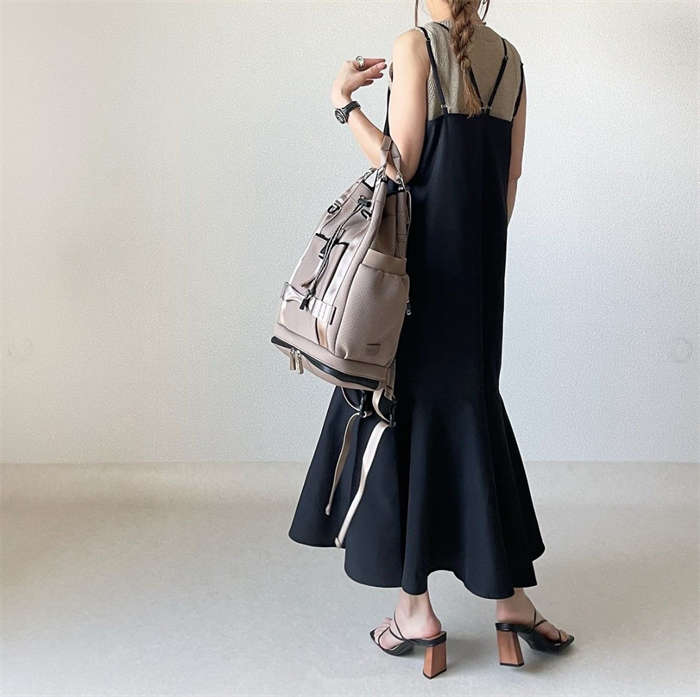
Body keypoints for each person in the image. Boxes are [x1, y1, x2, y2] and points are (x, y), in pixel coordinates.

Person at [288, 0, 574, 677]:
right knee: (472, 412)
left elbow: (399, 163)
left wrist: (342, 103)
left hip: (416, 275)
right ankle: (510, 602)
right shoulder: (511, 60)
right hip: (478, 273)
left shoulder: (415, 45)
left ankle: (415, 611)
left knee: (401, 414)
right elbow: (509, 183)